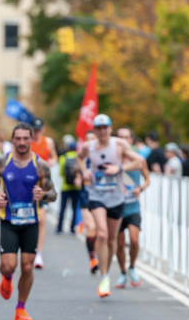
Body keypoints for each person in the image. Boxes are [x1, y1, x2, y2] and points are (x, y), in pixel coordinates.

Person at [0, 122, 57, 320]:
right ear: (12, 140)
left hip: (31, 222)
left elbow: (53, 194)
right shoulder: (2, 162)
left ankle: (20, 308)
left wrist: (43, 194)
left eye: (25, 138)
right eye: (17, 138)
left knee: (27, 267)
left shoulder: (40, 165)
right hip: (9, 220)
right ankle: (7, 278)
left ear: (31, 139)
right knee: (8, 266)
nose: (21, 142)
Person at [76, 114, 145, 298]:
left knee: (112, 240)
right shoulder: (88, 146)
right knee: (103, 233)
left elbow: (140, 162)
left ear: (110, 128)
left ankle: (110, 268)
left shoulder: (119, 145)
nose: (102, 131)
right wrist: (85, 172)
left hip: (116, 197)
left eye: (105, 127)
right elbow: (79, 158)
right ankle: (104, 276)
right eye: (98, 128)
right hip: (96, 194)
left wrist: (119, 168)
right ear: (95, 130)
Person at [115, 127, 150, 288]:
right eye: (120, 137)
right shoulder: (113, 158)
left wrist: (140, 189)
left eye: (126, 137)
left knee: (134, 240)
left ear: (131, 140)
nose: (123, 139)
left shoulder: (138, 159)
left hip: (133, 206)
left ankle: (132, 267)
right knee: (120, 244)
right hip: (116, 207)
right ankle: (122, 272)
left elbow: (148, 179)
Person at [29, 118, 58, 269]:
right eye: (35, 129)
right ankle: (28, 249)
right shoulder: (26, 141)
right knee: (28, 219)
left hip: (43, 184)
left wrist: (51, 162)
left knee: (42, 219)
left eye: (39, 129)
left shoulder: (48, 142)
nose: (37, 132)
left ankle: (38, 254)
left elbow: (54, 157)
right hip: (27, 185)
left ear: (43, 129)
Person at [79, 130, 99, 273]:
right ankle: (92, 259)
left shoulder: (103, 158)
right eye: (88, 139)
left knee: (99, 230)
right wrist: (77, 178)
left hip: (101, 197)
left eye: (93, 139)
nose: (91, 142)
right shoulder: (81, 159)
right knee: (91, 227)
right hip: (86, 196)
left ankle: (98, 255)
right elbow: (74, 174)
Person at [57, 135, 82, 234]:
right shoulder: (79, 158)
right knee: (74, 208)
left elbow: (61, 173)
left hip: (65, 186)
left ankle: (59, 228)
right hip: (76, 187)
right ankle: (72, 228)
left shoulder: (63, 158)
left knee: (63, 207)